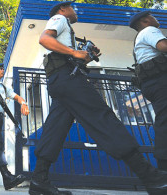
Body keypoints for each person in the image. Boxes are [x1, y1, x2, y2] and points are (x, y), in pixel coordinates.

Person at [29, 2, 167, 195]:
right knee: (102, 117)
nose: (74, 11)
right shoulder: (60, 19)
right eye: (71, 7)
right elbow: (44, 39)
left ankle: (38, 180)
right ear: (62, 10)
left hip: (61, 80)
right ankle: (151, 177)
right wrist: (74, 52)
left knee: (55, 128)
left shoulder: (67, 32)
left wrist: (83, 56)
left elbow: (64, 52)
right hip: (67, 79)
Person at [129, 11, 167, 171]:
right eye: (152, 17)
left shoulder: (138, 38)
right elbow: (164, 47)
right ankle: (164, 167)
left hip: (151, 83)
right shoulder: (149, 30)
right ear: (145, 21)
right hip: (160, 80)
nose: (155, 19)